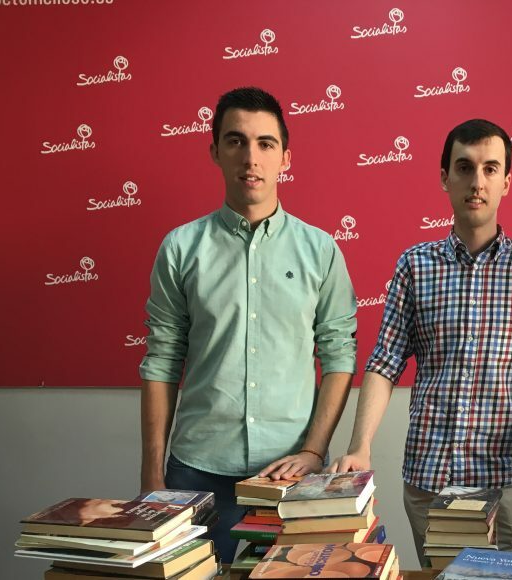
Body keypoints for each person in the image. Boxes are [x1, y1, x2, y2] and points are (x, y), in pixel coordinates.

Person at [329, 119, 512, 563]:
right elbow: (384, 364)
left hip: (505, 483)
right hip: (429, 479)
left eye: (490, 169)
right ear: (445, 178)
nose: (477, 182)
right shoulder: (415, 265)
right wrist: (360, 446)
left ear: (507, 182)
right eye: (465, 167)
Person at [138, 87, 358, 564]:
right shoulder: (180, 248)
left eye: (265, 143)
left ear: (285, 157)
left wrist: (315, 450)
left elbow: (339, 355)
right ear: (215, 151)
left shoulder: (321, 250)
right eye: (236, 141)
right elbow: (161, 360)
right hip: (195, 470)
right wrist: (152, 475)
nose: (251, 157)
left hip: (290, 474)